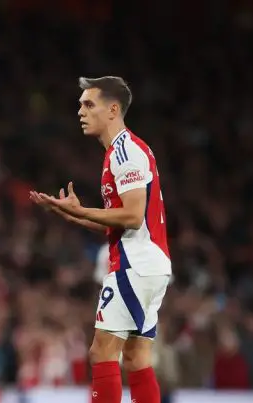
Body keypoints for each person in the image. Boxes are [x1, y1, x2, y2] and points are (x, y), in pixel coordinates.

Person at [30, 76, 170, 403]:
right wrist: (73, 214)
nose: (80, 111)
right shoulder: (122, 151)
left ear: (113, 110)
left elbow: (133, 216)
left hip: (134, 264)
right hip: (150, 263)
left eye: (89, 104)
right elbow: (126, 222)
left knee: (101, 352)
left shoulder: (125, 151)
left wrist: (83, 211)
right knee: (136, 356)